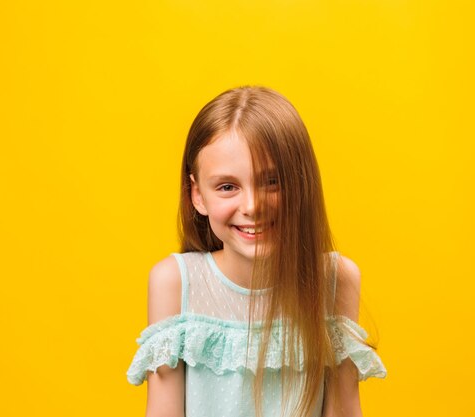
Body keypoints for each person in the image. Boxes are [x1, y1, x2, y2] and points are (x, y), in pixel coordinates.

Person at [127, 86, 387, 417]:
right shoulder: (175, 282)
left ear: (301, 184)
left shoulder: (336, 280)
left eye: (272, 182)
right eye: (227, 187)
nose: (252, 206)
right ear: (197, 195)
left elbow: (344, 410)